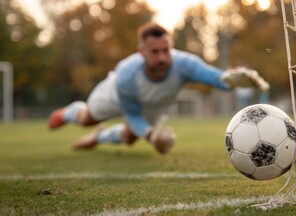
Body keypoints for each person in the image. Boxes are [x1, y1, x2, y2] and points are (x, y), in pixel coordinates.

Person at [48, 23, 269, 154]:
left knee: (129, 138)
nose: (162, 57)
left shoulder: (183, 64)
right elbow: (132, 114)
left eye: (166, 50)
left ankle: (100, 138)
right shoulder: (126, 75)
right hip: (117, 97)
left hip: (155, 106)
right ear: (141, 51)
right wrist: (152, 135)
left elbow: (210, 76)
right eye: (155, 52)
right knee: (88, 119)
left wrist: (229, 79)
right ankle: (69, 112)